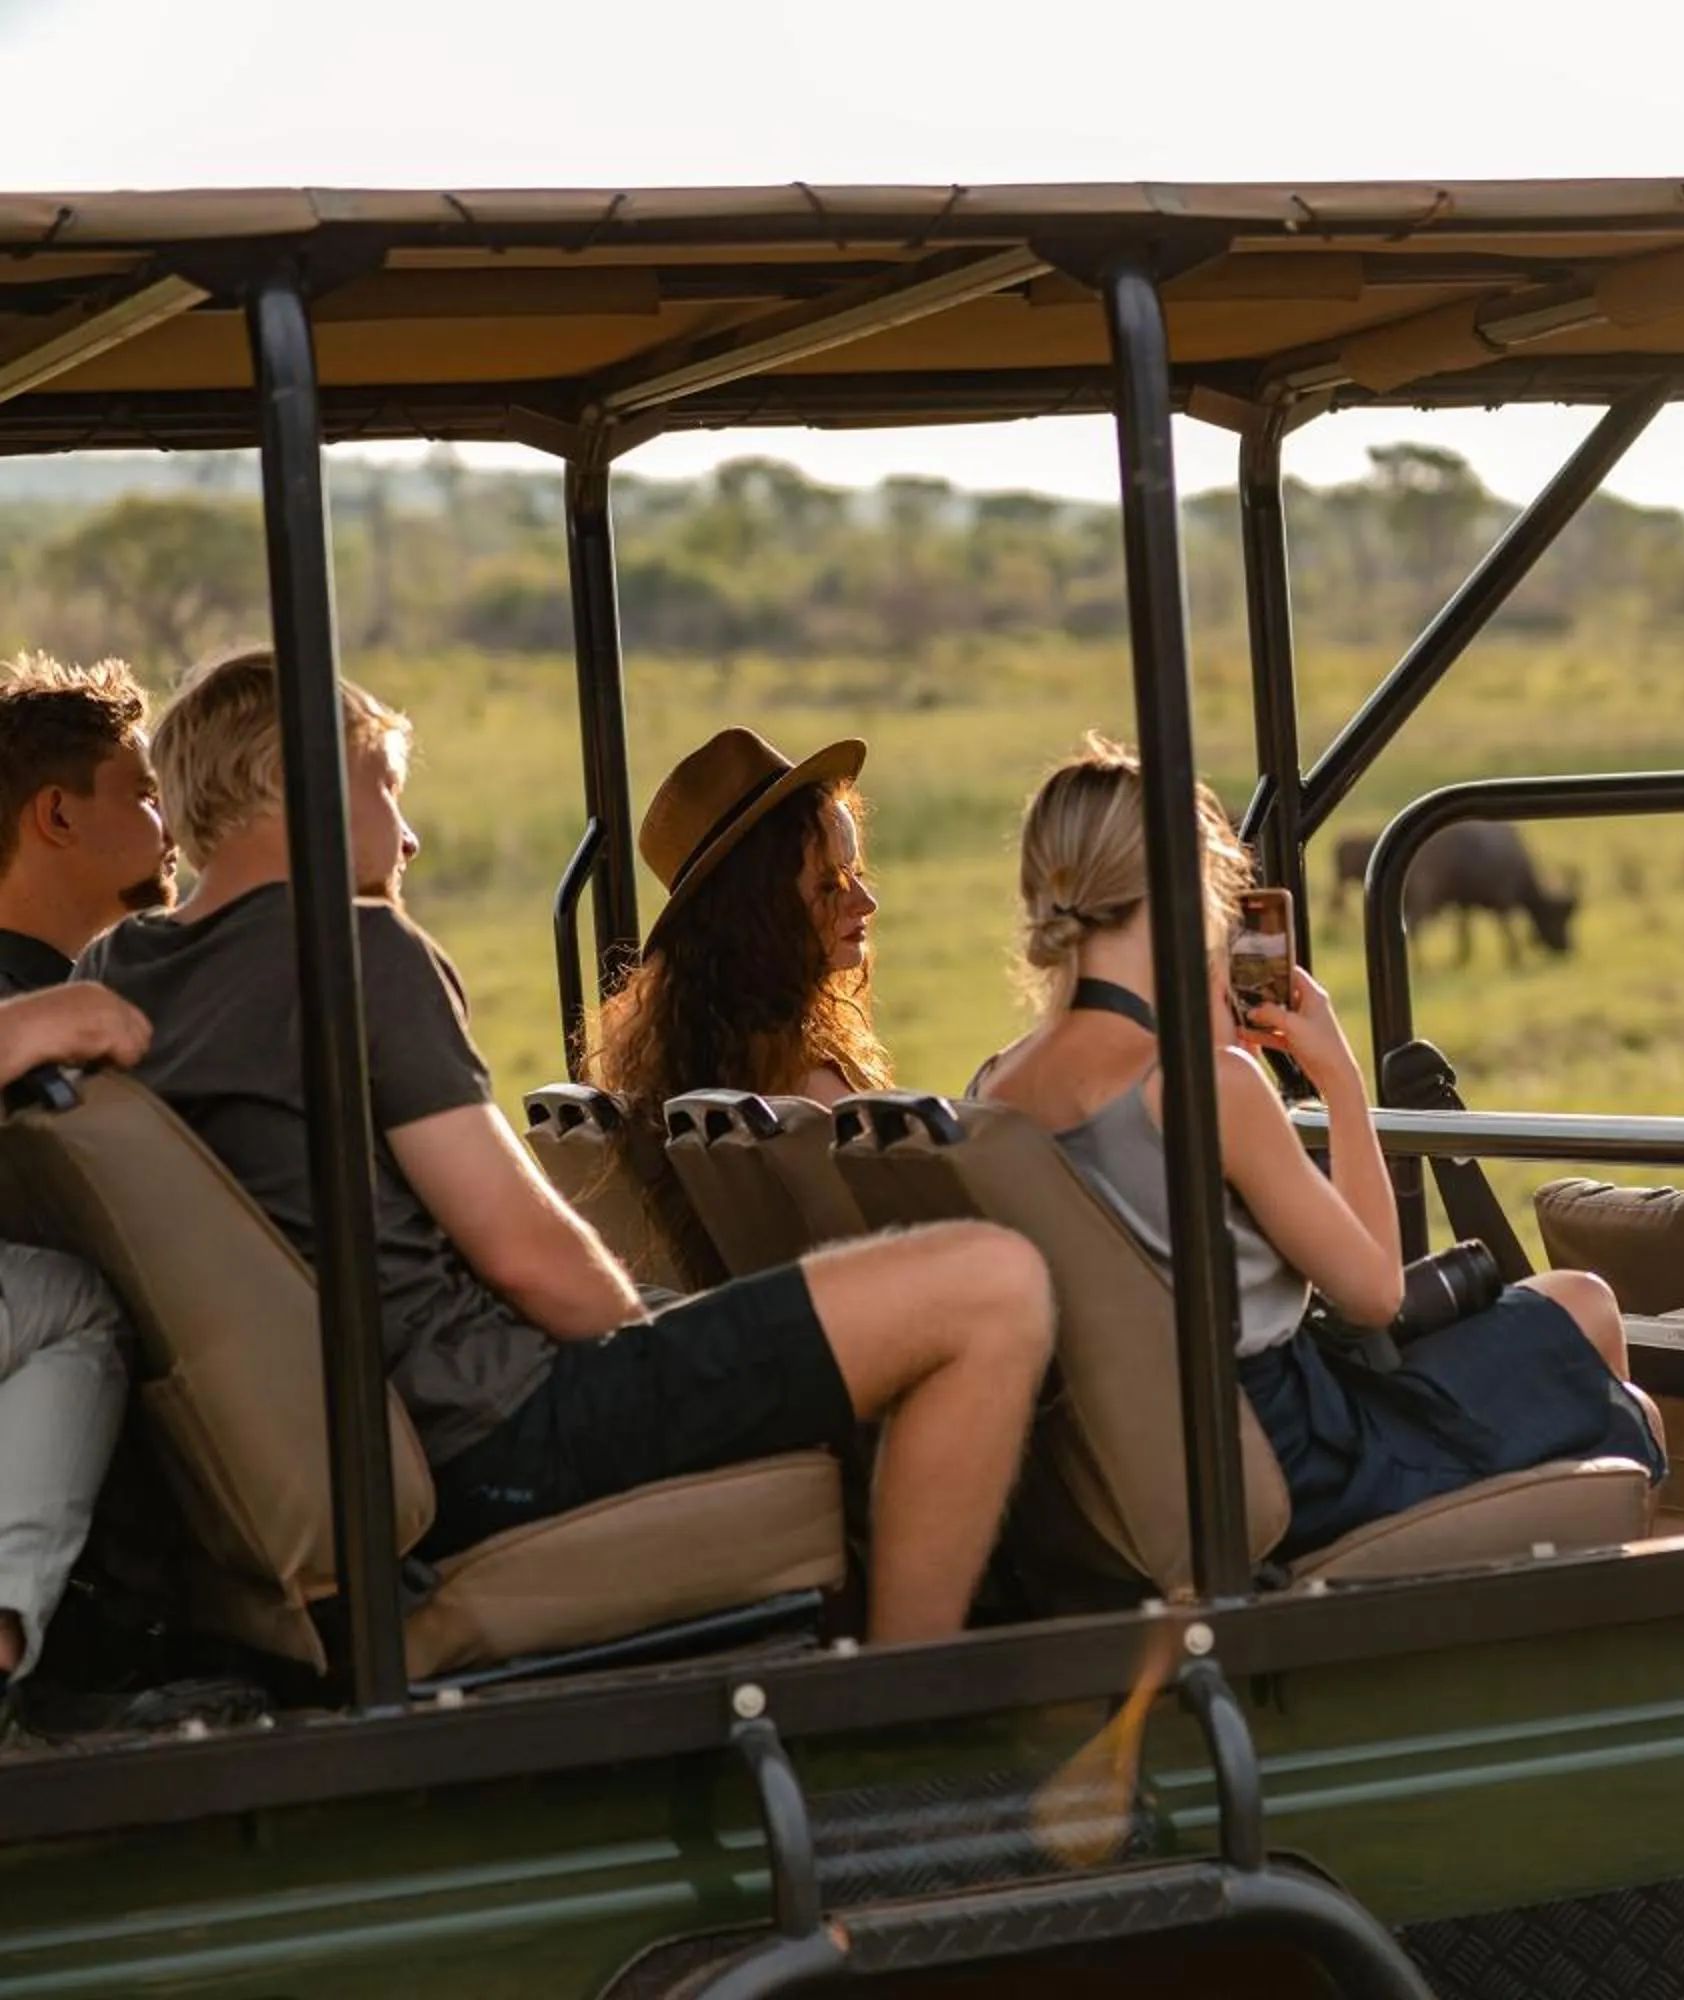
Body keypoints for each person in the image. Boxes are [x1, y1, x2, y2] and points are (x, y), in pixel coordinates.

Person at [80, 649, 1055, 1644]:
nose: (408, 836)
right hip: (498, 1424)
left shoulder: (120, 972)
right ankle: (911, 1698)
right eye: (383, 786)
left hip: (398, 1431)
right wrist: (657, 1359)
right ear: (302, 782)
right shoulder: (361, 950)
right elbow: (526, 1252)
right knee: (991, 1278)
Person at [970, 737, 1662, 1561]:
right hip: (1299, 1456)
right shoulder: (1206, 1084)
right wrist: (1334, 1073)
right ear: (1187, 890)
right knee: (1629, 1408)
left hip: (1143, 1464)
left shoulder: (993, 1090)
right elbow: (1373, 1290)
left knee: (1569, 1313)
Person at [0, 654, 174, 1697]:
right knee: (77, 1307)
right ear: (56, 815)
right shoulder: (45, 1004)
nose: (171, 830)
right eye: (145, 797)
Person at [588, 728, 889, 1124]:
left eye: (858, 874)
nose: (866, 903)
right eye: (830, 885)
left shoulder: (687, 1068)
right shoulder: (809, 1094)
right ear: (756, 909)